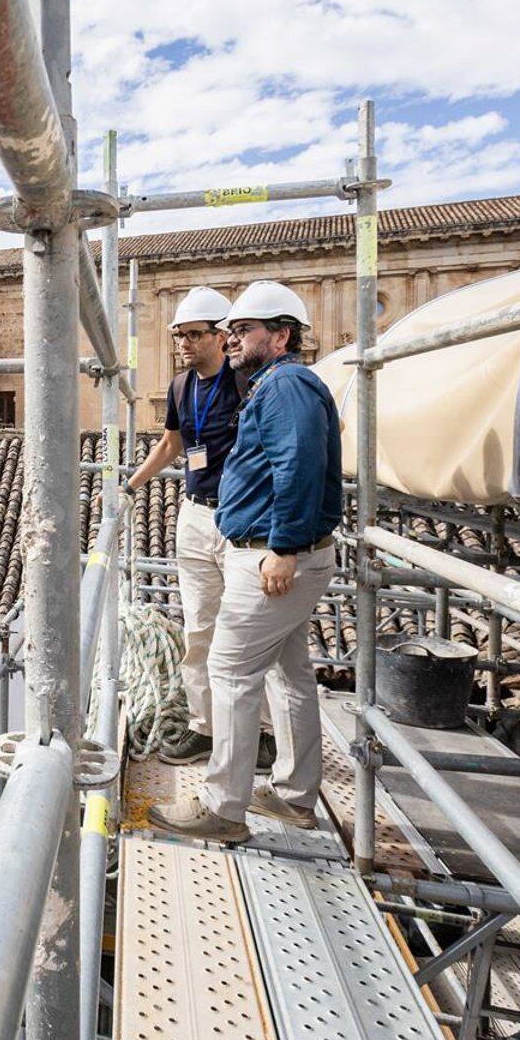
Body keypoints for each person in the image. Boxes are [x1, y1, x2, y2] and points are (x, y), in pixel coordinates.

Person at [148, 280, 343, 844]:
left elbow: (299, 467)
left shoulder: (286, 387)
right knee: (291, 675)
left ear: (281, 336)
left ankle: (224, 809)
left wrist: (282, 548)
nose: (232, 339)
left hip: (271, 557)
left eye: (244, 330)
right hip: (275, 553)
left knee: (230, 672)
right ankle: (294, 797)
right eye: (229, 330)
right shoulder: (279, 385)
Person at [128, 286, 274, 770]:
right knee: (200, 627)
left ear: (220, 336)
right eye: (180, 336)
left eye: (194, 335)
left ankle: (264, 734)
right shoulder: (179, 387)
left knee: (250, 630)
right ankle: (204, 727)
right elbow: (171, 444)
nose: (185, 344)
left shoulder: (246, 383)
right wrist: (130, 485)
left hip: (243, 519)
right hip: (194, 513)